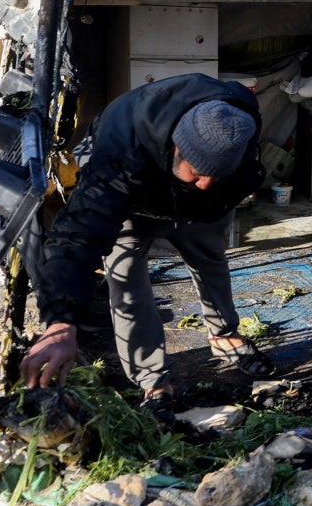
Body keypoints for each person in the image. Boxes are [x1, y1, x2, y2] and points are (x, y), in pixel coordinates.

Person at [20, 73, 272, 416]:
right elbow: (79, 234)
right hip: (134, 197)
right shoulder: (121, 151)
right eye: (198, 173)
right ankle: (154, 380)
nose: (204, 184)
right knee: (126, 280)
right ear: (176, 149)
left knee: (210, 257)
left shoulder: (237, 122)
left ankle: (224, 335)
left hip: (197, 210)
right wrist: (61, 322)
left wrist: (215, 187)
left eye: (217, 176)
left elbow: (213, 179)